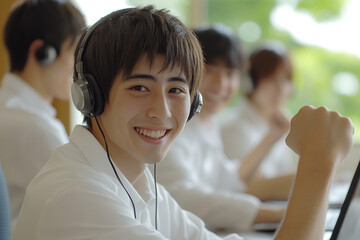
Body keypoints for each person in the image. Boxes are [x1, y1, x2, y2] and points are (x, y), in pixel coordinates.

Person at [12, 5, 353, 240]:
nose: (162, 110)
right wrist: (318, 162)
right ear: (91, 96)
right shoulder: (77, 197)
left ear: (194, 103)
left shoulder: (143, 188)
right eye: (139, 87)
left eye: (176, 89)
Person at [157, 25, 287, 232]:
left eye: (230, 74)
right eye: (210, 71)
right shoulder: (169, 125)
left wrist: (272, 137)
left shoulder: (207, 122)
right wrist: (279, 215)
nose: (221, 84)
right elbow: (181, 196)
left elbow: (227, 179)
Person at [0, 0, 85, 229]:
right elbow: (81, 203)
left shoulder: (9, 109)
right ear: (42, 53)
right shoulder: (33, 126)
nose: (79, 66)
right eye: (74, 52)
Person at [221, 42, 298, 201]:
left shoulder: (278, 124)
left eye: (286, 80)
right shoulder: (234, 128)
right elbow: (249, 187)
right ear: (250, 83)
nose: (281, 89)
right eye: (272, 80)